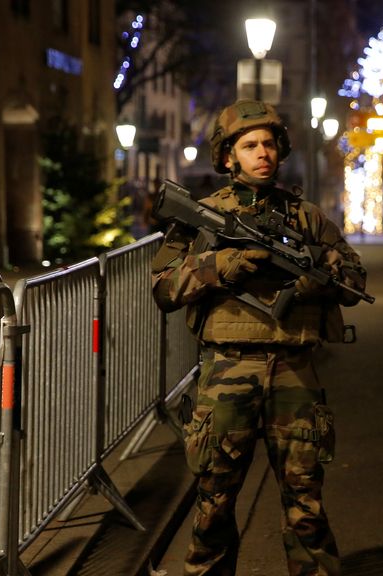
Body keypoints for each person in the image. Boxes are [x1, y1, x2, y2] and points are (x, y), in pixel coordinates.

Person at [150, 99, 366, 575]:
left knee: (306, 504)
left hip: (294, 371)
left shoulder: (305, 217)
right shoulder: (202, 215)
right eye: (249, 145)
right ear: (228, 157)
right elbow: (164, 287)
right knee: (214, 503)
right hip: (229, 370)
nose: (261, 152)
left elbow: (355, 280)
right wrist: (218, 266)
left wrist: (320, 277)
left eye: (268, 143)